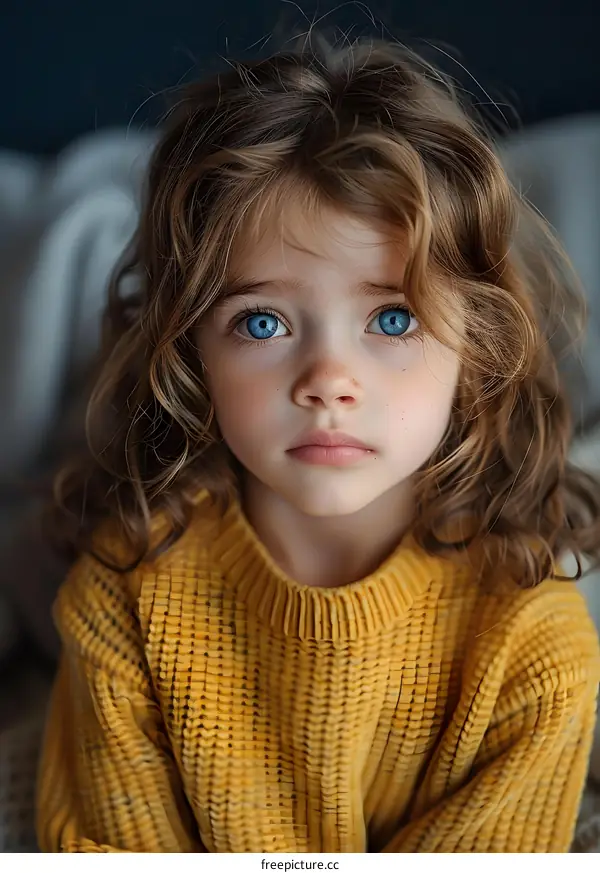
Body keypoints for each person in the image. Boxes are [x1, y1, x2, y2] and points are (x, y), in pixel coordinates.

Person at [36, 34, 600, 853]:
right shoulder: (127, 598)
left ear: (476, 345)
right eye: (261, 322)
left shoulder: (532, 640)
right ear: (190, 351)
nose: (329, 379)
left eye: (393, 318)